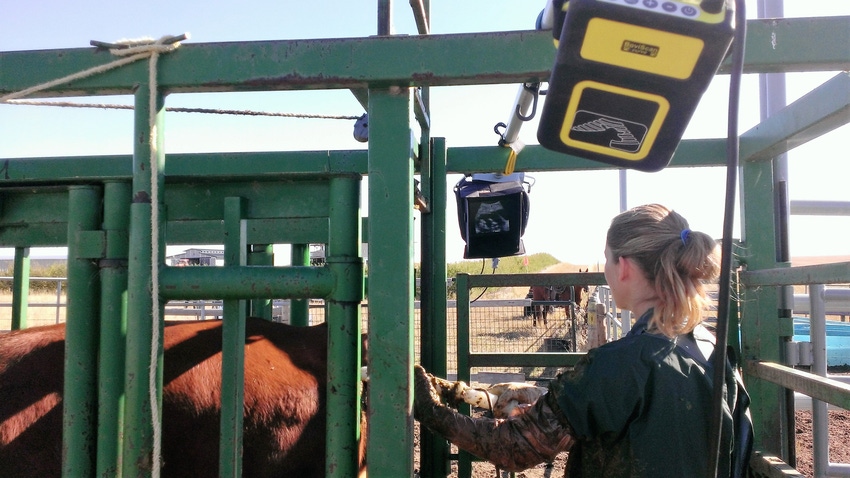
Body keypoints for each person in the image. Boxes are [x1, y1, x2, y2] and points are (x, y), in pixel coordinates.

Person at [414, 203, 752, 477]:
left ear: (622, 267)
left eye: (606, 257)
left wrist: (429, 410)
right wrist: (553, 400)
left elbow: (512, 447)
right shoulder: (713, 352)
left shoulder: (618, 365)